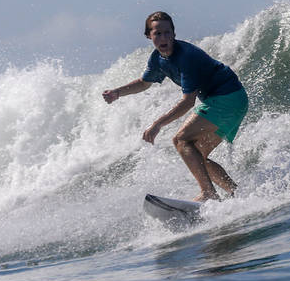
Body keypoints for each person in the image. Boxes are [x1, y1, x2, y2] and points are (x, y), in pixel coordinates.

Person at [103, 11, 249, 202]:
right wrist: (117, 92)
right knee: (197, 155)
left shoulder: (186, 57)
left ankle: (208, 194)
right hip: (233, 100)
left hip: (226, 98)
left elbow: (188, 101)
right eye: (157, 33)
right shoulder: (157, 58)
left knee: (181, 140)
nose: (163, 37)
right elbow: (144, 82)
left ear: (174, 34)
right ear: (149, 36)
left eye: (167, 32)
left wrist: (157, 124)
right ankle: (237, 195)